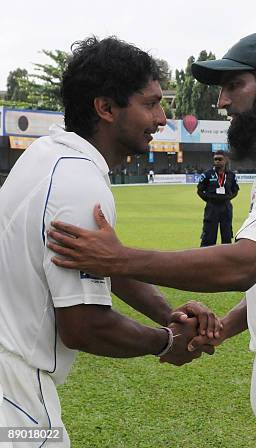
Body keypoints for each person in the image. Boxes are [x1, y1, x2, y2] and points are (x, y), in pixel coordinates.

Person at [47, 31, 256, 448]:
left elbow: (246, 265)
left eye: (233, 86)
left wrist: (119, 259)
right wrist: (224, 326)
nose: (222, 101)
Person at [0, 37, 215, 447]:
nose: (161, 119)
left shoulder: (47, 154)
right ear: (106, 108)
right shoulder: (78, 183)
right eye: (150, 104)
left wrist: (168, 313)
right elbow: (84, 326)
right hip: (15, 398)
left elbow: (103, 264)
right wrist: (168, 342)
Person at [197, 150, 239, 246]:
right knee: (209, 236)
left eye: (220, 159)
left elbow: (235, 190)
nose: (217, 161)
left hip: (226, 208)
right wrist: (210, 199)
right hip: (212, 208)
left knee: (227, 235)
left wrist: (227, 198)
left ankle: (227, 258)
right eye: (215, 159)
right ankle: (206, 258)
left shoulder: (231, 175)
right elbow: (199, 190)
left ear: (225, 160)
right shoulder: (207, 174)